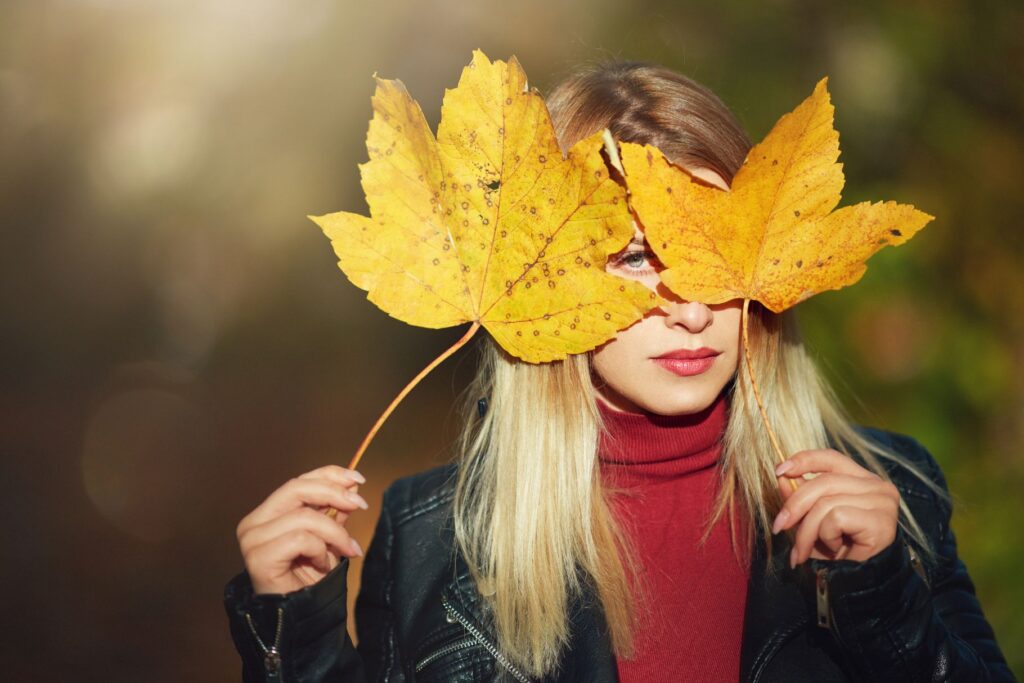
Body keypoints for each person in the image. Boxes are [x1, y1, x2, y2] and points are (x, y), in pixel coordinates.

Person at [223, 60, 1013, 682]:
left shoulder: (890, 494)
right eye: (637, 256)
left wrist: (882, 599)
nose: (690, 308)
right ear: (547, 273)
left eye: (712, 253)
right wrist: (298, 630)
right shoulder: (434, 532)